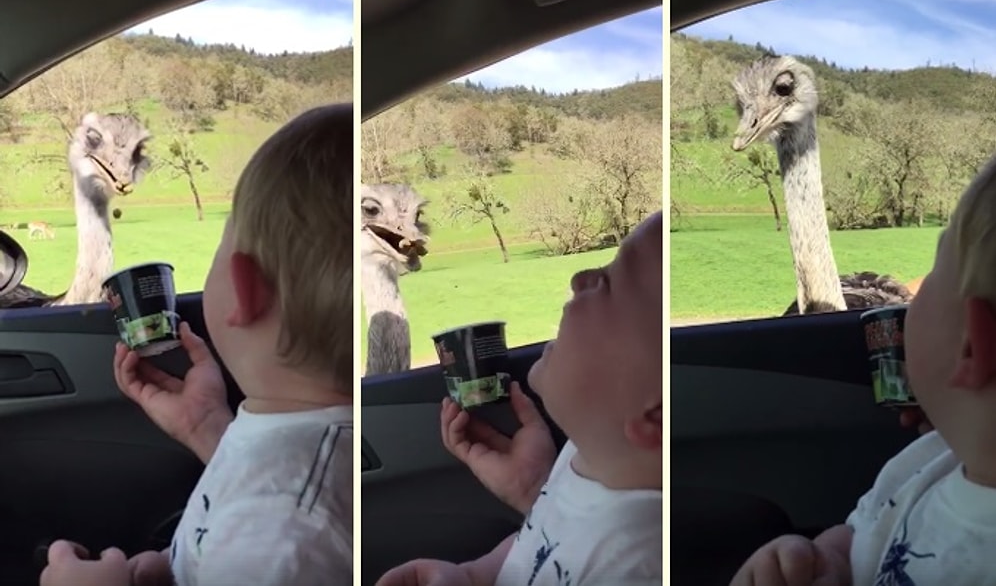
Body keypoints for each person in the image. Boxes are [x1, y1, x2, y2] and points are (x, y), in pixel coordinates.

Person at [40, 103, 354, 586]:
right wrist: (208, 428)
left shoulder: (286, 538)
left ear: (244, 290)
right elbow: (255, 494)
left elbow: (270, 527)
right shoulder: (300, 438)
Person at [730, 152, 996, 586]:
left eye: (931, 275)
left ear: (971, 347)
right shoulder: (930, 459)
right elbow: (861, 538)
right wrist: (828, 560)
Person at [376, 211, 664, 586]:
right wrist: (472, 575)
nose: (580, 278)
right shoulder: (586, 457)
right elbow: (538, 548)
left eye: (608, 284)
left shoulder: (636, 566)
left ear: (655, 417)